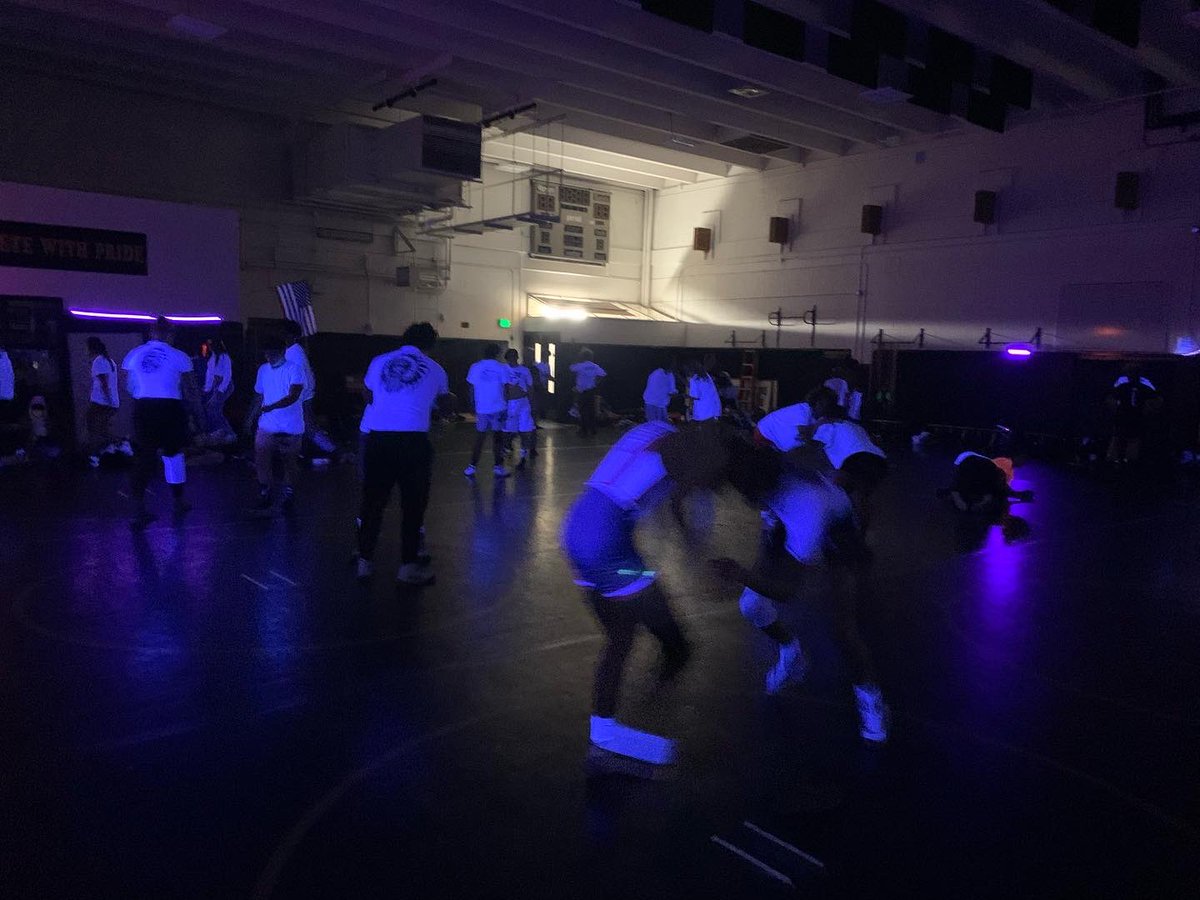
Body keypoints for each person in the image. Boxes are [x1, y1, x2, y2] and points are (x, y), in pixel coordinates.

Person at [561, 421, 732, 767]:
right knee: (674, 645)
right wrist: (699, 555)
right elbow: (680, 484)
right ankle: (614, 729)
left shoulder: (654, 429)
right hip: (606, 541)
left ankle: (612, 724)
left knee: (622, 639)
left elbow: (672, 497)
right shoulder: (677, 456)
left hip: (578, 527)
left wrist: (691, 543)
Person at [714, 440, 889, 743]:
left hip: (839, 537)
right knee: (751, 604)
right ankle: (790, 651)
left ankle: (872, 699)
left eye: (744, 493)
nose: (741, 499)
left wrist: (741, 574)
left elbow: (787, 592)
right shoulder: (769, 476)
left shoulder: (805, 509)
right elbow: (768, 535)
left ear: (755, 487)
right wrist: (751, 576)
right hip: (796, 519)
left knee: (844, 631)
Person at [355, 323, 450, 586]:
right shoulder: (436, 369)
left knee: (373, 502)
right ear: (431, 344)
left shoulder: (379, 361)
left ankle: (364, 562)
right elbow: (443, 404)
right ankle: (407, 567)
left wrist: (389, 407)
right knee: (413, 505)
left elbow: (367, 392)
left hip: (379, 438)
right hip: (413, 441)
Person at [121, 317, 198, 527]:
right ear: (171, 334)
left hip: (144, 407)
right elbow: (190, 389)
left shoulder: (134, 355)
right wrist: (195, 414)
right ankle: (178, 500)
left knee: (144, 456)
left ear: (151, 333)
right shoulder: (179, 356)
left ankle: (138, 511)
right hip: (170, 408)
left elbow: (129, 387)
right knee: (173, 454)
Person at [808, 386, 887, 532]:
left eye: (813, 408)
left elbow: (816, 452)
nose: (812, 413)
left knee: (840, 492)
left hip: (856, 459)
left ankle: (846, 535)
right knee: (861, 498)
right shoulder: (852, 424)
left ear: (818, 405)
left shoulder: (824, 426)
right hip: (879, 461)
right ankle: (859, 536)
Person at [244, 335, 305, 514]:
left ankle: (288, 492)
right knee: (261, 458)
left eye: (272, 353)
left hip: (291, 426)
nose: (268, 357)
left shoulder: (295, 369)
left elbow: (293, 396)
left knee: (290, 462)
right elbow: (259, 396)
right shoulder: (263, 370)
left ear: (282, 352)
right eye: (266, 353)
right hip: (267, 424)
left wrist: (272, 406)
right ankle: (266, 492)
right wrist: (250, 418)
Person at [465, 343, 509, 478]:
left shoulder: (475, 367)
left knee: (480, 437)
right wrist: (507, 405)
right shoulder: (501, 368)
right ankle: (498, 467)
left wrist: (471, 404)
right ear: (497, 353)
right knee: (498, 438)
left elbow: (471, 388)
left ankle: (472, 467)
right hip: (498, 407)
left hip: (482, 407)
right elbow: (506, 387)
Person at [939, 451, 1034, 513]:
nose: (1023, 463)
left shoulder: (1006, 472)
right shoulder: (1003, 463)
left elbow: (1001, 487)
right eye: (1022, 459)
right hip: (975, 469)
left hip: (979, 474)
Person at [84, 337, 120, 464]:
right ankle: (114, 447)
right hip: (108, 402)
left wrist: (108, 400)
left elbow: (104, 382)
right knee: (102, 428)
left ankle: (97, 455)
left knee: (94, 428)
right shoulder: (109, 361)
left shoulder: (99, 361)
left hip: (101, 402)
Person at [282, 320, 318, 441]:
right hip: (300, 396)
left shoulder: (296, 353)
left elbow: (302, 379)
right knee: (306, 428)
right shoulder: (290, 351)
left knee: (308, 428)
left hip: (302, 396)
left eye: (283, 333)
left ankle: (336, 452)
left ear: (291, 335)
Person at [503, 348, 536, 468]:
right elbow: (503, 387)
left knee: (524, 430)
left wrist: (532, 404)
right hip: (510, 404)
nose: (512, 359)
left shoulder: (525, 370)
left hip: (523, 402)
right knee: (508, 431)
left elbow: (530, 387)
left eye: (513, 357)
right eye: (510, 357)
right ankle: (507, 448)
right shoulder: (504, 369)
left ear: (516, 357)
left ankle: (523, 456)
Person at [570, 348, 606, 437]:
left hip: (581, 391)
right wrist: (596, 382)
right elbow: (603, 374)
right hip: (591, 390)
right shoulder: (595, 366)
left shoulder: (579, 366)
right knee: (591, 410)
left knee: (582, 410)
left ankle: (584, 429)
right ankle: (593, 429)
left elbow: (571, 368)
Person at [203, 337, 234, 439]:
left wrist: (221, 389)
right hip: (216, 385)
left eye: (210, 345)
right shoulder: (212, 357)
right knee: (213, 408)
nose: (209, 347)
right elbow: (210, 375)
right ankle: (220, 432)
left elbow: (227, 375)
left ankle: (229, 432)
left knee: (213, 408)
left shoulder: (224, 357)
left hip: (224, 385)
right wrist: (207, 389)